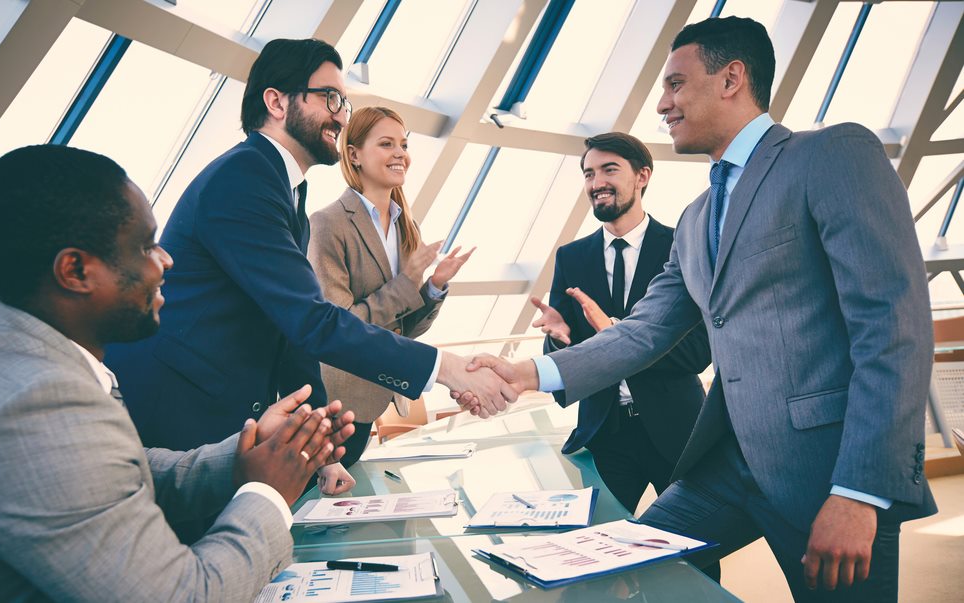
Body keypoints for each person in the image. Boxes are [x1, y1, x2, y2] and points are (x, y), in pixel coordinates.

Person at [461, 16, 936, 601]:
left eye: (675, 84)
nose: (661, 103)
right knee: (611, 569)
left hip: (827, 473)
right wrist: (528, 373)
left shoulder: (831, 156)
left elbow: (893, 329)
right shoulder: (695, 218)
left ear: (732, 77)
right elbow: (642, 332)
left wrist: (859, 493)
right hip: (728, 468)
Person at [0, 144, 355, 601]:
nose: (166, 259)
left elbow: (113, 475)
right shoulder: (37, 404)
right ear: (74, 270)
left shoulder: (9, 356)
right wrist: (268, 492)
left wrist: (243, 459)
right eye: (146, 245)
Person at [104, 39, 512, 471]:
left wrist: (322, 445)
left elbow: (291, 333)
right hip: (177, 405)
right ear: (277, 102)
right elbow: (311, 320)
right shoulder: (245, 178)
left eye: (345, 102)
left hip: (210, 404)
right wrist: (444, 367)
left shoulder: (285, 189)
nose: (341, 113)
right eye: (330, 97)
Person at [529, 131, 709, 514]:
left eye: (609, 169)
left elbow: (699, 352)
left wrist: (616, 334)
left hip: (677, 427)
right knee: (595, 544)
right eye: (588, 173)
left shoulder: (682, 246)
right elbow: (572, 349)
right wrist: (559, 341)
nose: (597, 183)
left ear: (642, 175)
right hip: (604, 432)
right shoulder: (571, 258)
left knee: (697, 553)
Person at [300, 106, 474, 483]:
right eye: (386, 144)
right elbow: (338, 328)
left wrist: (432, 287)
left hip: (375, 398)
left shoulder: (404, 227)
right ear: (354, 154)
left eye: (404, 144)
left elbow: (402, 329)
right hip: (335, 409)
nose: (400, 153)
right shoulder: (327, 224)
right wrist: (407, 281)